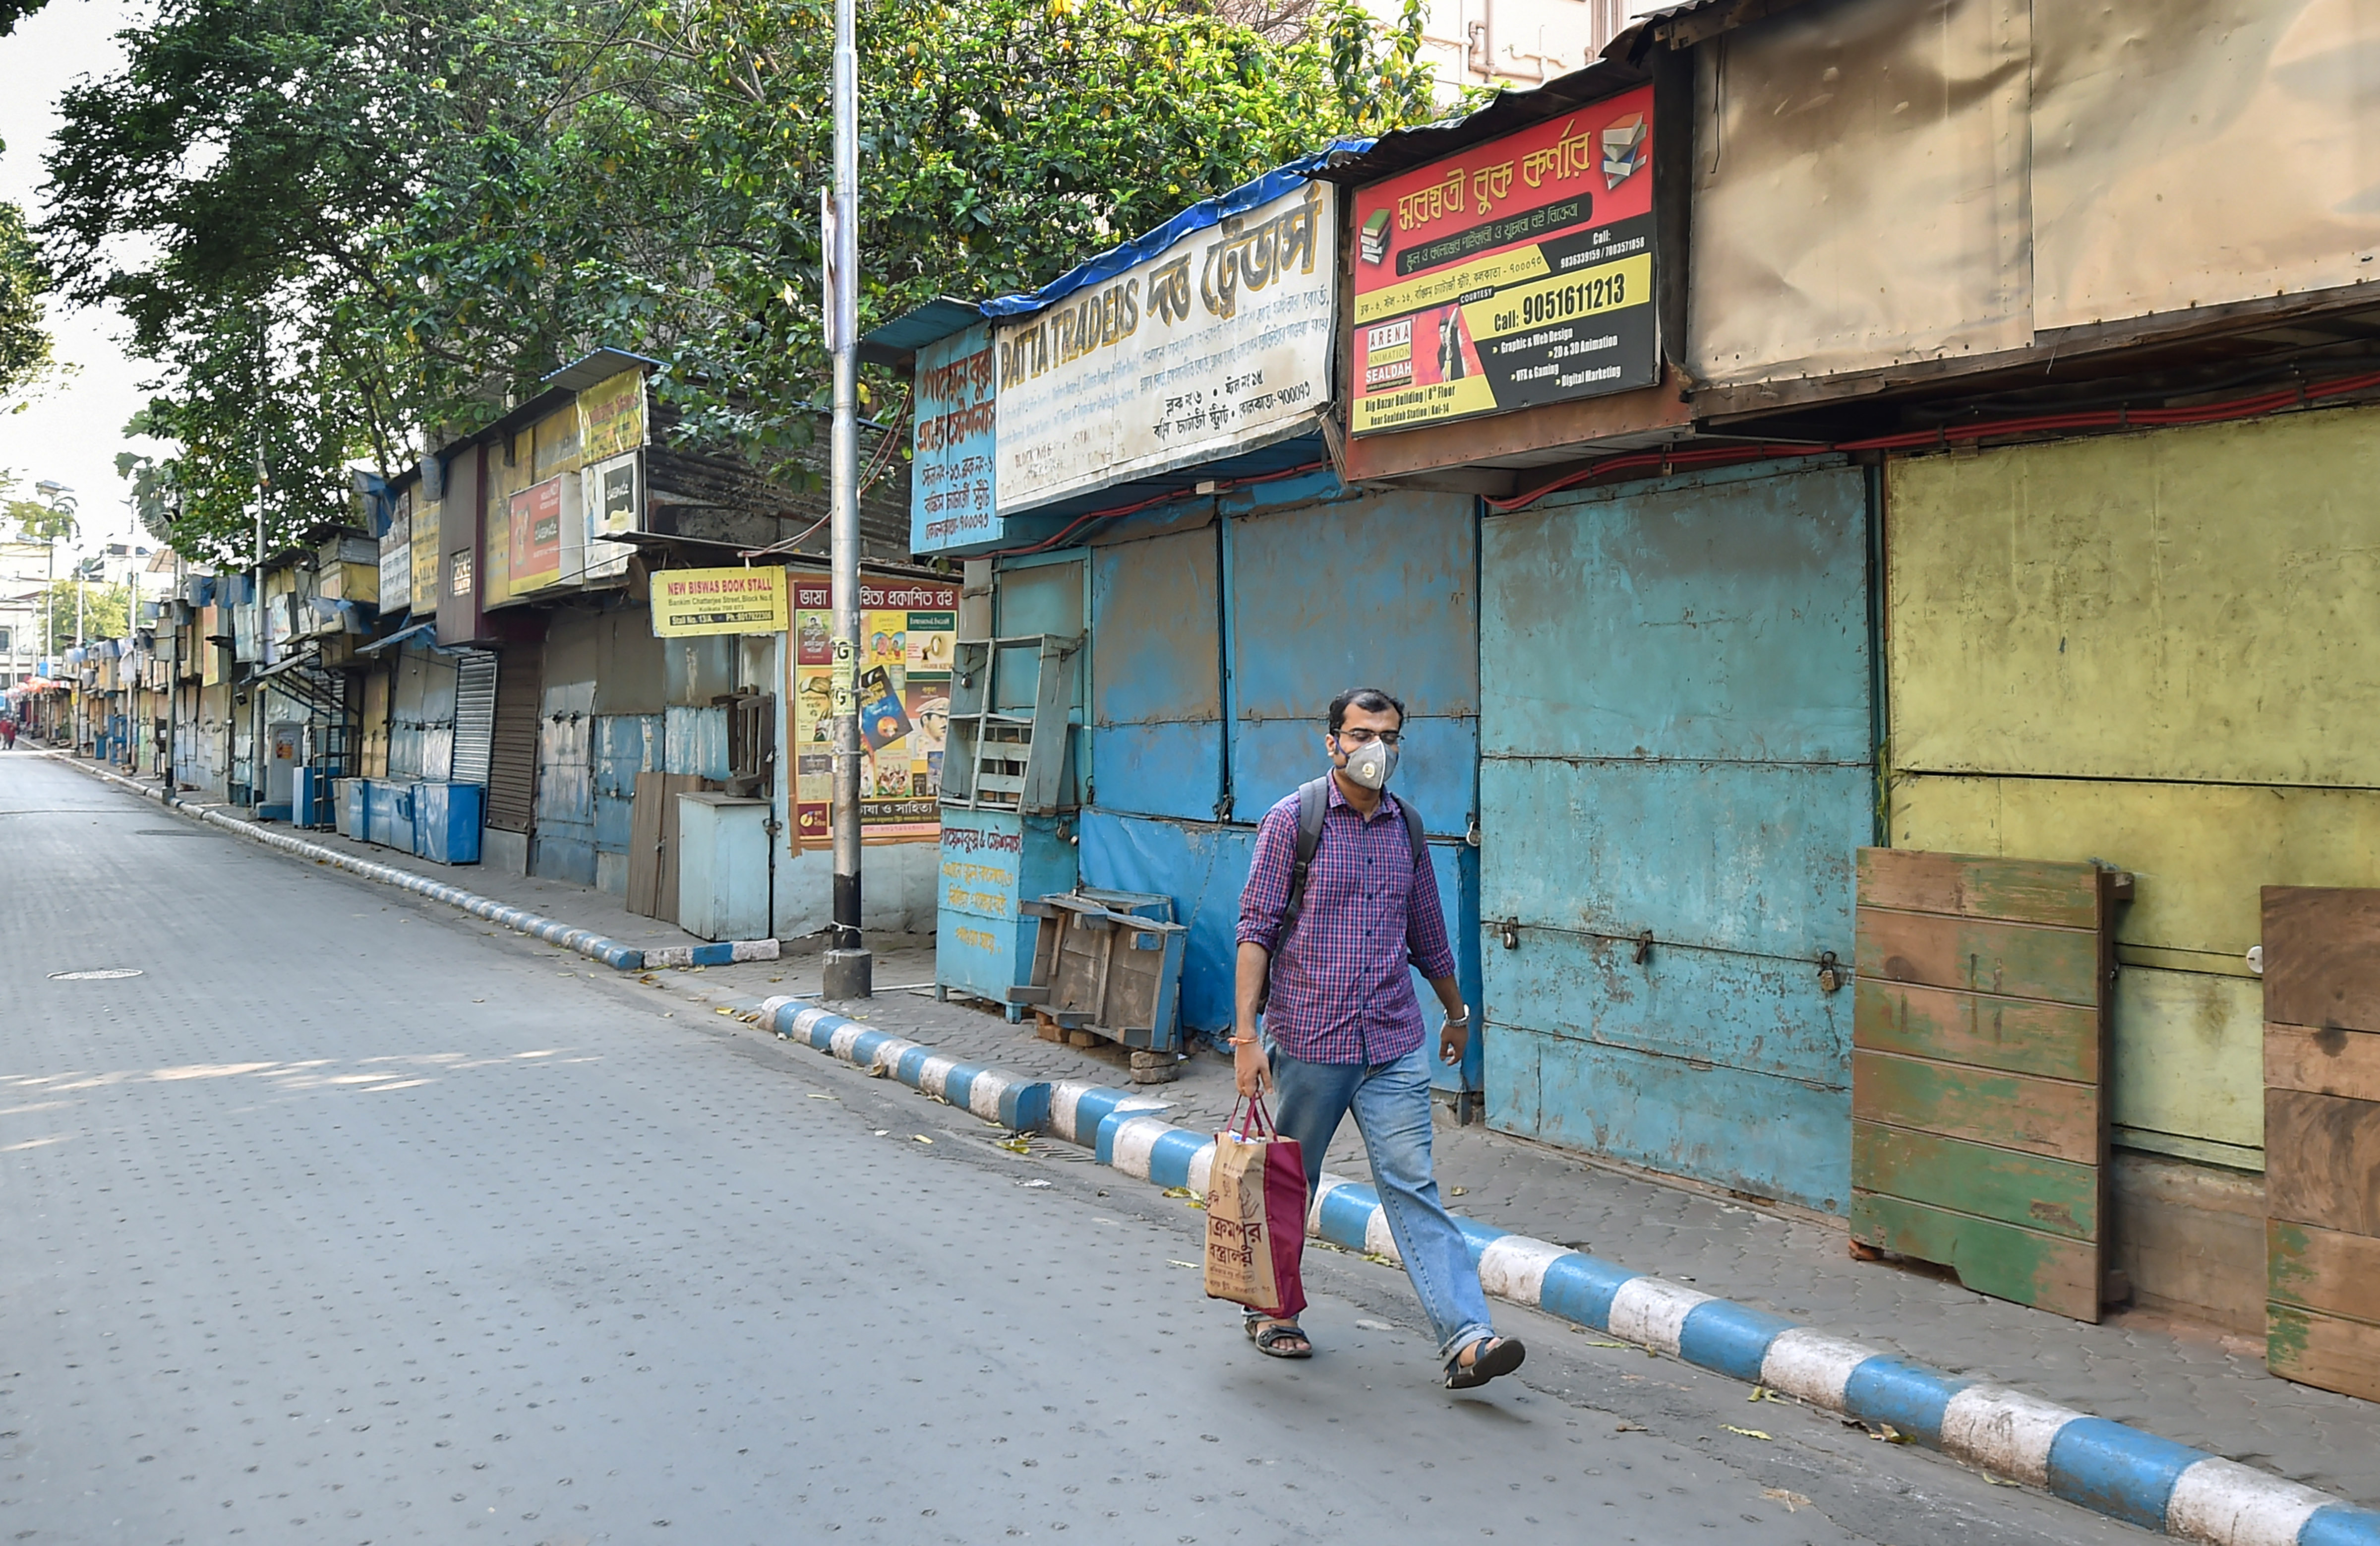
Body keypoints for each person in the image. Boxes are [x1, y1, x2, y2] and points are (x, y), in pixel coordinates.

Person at [1231, 686, 1524, 1390]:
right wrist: (1245, 1035)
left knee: (1413, 1184)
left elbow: (1426, 931)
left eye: (1388, 737)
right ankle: (1272, 1309)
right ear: (1331, 740)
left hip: (1393, 1040)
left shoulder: (1408, 829)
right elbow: (1255, 931)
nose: (1375, 750)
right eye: (1361, 734)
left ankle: (1466, 1339)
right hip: (1309, 1040)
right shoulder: (1290, 822)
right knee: (1288, 1183)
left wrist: (1455, 1012)